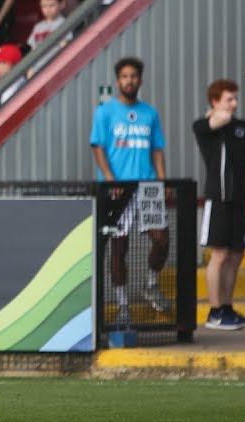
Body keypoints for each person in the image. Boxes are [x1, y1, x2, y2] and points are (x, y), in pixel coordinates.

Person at [90, 56, 170, 328]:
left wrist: (161, 181)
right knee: (119, 248)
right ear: (117, 81)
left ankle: (151, 283)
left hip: (146, 187)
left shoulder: (150, 113)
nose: (129, 81)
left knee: (162, 239)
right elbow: (98, 147)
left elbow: (157, 148)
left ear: (140, 80)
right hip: (118, 190)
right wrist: (111, 181)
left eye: (134, 76)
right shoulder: (105, 112)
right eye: (124, 76)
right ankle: (123, 304)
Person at [193, 79, 245, 331]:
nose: (234, 104)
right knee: (219, 254)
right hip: (218, 197)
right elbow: (215, 121)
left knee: (236, 253)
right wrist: (217, 113)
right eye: (229, 99)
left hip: (239, 200)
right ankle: (215, 311)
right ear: (215, 101)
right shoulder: (205, 126)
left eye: (235, 98)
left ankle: (228, 308)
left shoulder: (244, 128)